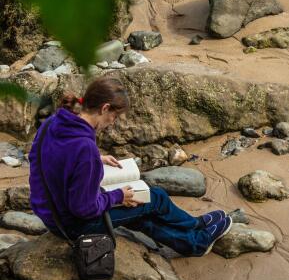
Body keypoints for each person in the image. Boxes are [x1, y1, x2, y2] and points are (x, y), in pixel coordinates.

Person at [29, 77, 232, 256]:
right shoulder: (85, 148)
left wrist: (96, 159)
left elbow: (37, 156)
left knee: (139, 215)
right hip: (72, 224)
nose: (112, 123)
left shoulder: (55, 121)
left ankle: (194, 242)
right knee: (155, 197)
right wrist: (117, 196)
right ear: (105, 108)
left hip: (49, 212)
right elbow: (83, 209)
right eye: (114, 117)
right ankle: (195, 226)